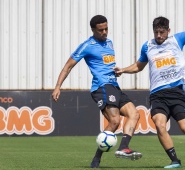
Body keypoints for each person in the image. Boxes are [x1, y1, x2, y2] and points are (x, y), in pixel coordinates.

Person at [114, 0, 185, 168]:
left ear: (168, 30)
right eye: (156, 32)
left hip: (176, 92)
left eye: (162, 32)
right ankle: (175, 161)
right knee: (159, 124)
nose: (158, 35)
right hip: (157, 94)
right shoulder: (147, 46)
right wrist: (123, 69)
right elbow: (139, 66)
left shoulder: (177, 40)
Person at [51, 15, 142, 168]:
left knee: (134, 114)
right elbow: (68, 66)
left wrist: (117, 71)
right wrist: (58, 86)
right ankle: (97, 159)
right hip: (101, 87)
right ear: (93, 30)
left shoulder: (109, 43)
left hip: (114, 86)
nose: (105, 32)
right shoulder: (87, 45)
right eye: (101, 30)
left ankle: (122, 148)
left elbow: (106, 64)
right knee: (114, 121)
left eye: (106, 28)